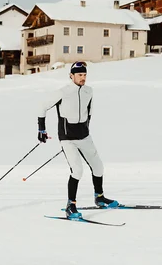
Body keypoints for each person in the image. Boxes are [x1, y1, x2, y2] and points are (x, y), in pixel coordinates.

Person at [36, 61, 119, 219]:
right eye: (80, 75)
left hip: (84, 136)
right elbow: (42, 106)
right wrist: (42, 129)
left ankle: (99, 198)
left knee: (98, 168)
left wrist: (85, 129)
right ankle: (71, 205)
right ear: (71, 76)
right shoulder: (63, 92)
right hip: (68, 139)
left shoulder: (89, 91)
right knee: (77, 171)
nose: (83, 78)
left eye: (85, 75)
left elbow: (89, 113)